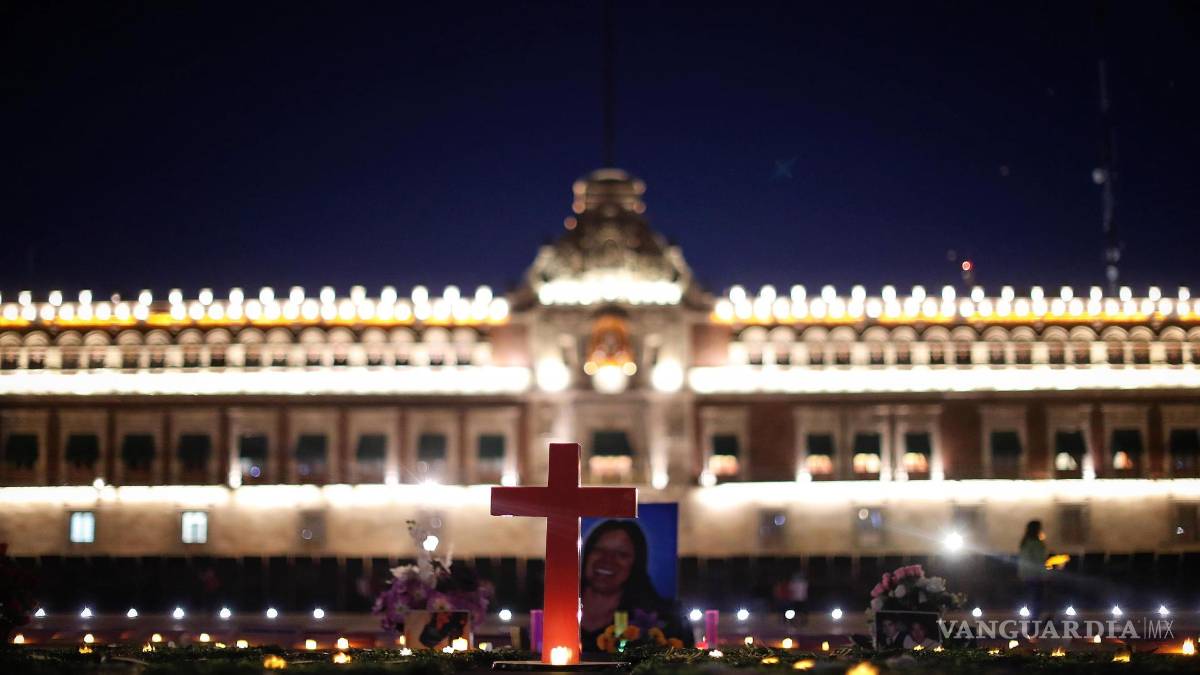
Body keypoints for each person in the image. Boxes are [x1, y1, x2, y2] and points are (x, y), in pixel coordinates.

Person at [579, 519, 692, 652]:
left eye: (621, 554)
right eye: (599, 550)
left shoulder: (664, 618)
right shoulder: (553, 606)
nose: (607, 560)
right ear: (586, 555)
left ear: (636, 564)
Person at [1017, 520, 1049, 619]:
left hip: (1026, 575)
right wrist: (1044, 575)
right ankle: (1034, 623)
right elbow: (1039, 561)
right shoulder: (1037, 544)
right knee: (1037, 600)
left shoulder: (1025, 543)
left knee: (1031, 599)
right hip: (1036, 575)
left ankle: (1032, 621)